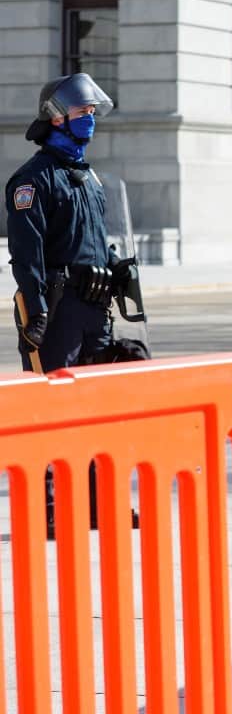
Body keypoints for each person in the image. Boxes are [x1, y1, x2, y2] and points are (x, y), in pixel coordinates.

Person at [7, 72, 141, 538]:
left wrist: (117, 269)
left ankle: (99, 504)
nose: (90, 120)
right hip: (57, 310)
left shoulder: (90, 178)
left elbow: (94, 241)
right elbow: (27, 254)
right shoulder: (32, 180)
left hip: (94, 308)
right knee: (53, 409)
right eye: (83, 113)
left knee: (99, 407)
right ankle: (48, 509)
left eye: (91, 113)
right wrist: (37, 311)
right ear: (57, 117)